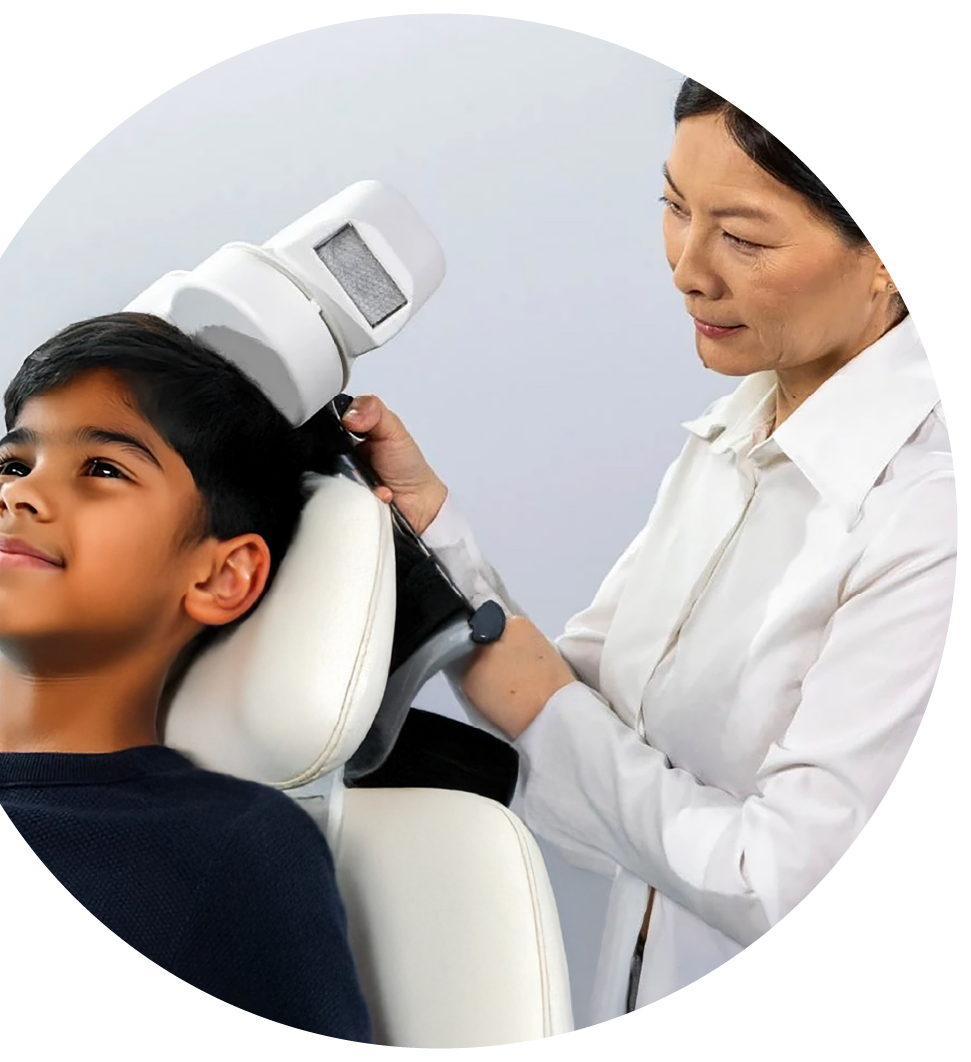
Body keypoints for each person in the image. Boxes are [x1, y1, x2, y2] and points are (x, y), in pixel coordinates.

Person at [340, 78, 956, 1021]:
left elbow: (785, 882)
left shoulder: (927, 510)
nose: (687, 268)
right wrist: (430, 528)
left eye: (742, 238)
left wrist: (542, 711)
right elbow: (589, 724)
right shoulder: (739, 427)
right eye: (673, 206)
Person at [0, 312, 372, 1041]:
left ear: (221, 575)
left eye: (104, 470)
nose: (17, 496)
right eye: (13, 464)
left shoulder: (233, 850)